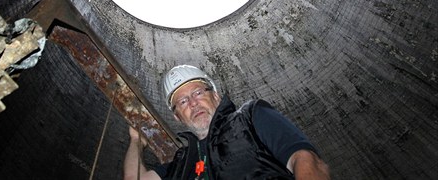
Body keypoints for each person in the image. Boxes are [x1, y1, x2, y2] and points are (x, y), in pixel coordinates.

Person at [124, 65, 330, 180]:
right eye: (183, 101)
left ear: (215, 95)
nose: (193, 103)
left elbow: (304, 159)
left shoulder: (250, 116)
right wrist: (135, 141)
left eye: (197, 93)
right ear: (178, 116)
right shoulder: (181, 162)